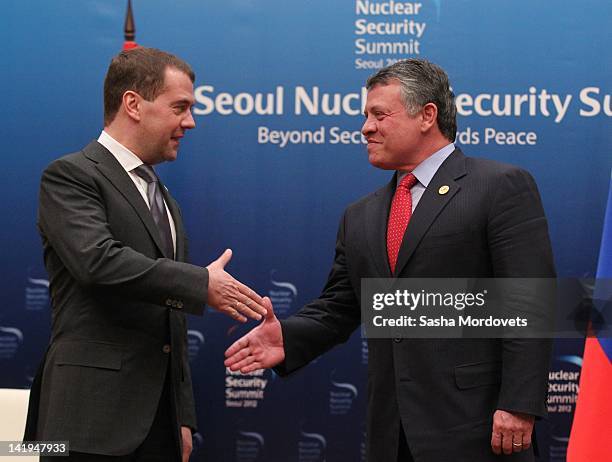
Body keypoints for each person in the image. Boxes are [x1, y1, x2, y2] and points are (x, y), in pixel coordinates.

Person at [225, 59, 555, 461]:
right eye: (365, 116)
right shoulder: (360, 215)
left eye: (379, 114)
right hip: (392, 433)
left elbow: (529, 301)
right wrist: (288, 337)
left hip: (479, 427)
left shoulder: (499, 187)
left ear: (427, 115)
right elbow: (341, 306)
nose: (366, 127)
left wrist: (519, 404)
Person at [24, 47, 267, 462]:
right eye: (180, 107)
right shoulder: (71, 176)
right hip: (85, 423)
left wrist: (182, 418)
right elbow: (97, 262)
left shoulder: (164, 198)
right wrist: (199, 283)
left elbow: (170, 321)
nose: (189, 122)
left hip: (159, 428)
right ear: (133, 104)